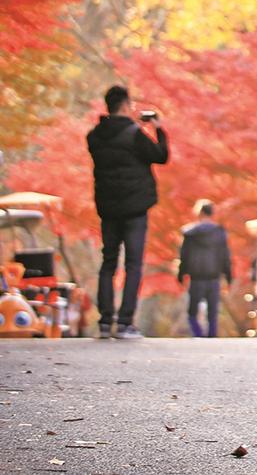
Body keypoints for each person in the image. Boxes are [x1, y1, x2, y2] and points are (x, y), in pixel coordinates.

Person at [87, 85, 170, 340]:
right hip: (134, 209)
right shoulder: (134, 134)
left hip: (108, 208)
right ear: (125, 105)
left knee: (108, 262)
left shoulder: (94, 136)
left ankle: (104, 321)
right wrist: (157, 128)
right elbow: (160, 156)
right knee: (133, 264)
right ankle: (124, 323)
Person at [177, 199, 231, 338]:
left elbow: (184, 256)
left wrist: (181, 274)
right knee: (212, 313)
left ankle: (199, 335)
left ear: (199, 213)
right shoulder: (219, 233)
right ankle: (211, 337)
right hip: (214, 277)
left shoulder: (190, 234)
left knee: (192, 313)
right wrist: (228, 276)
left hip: (196, 277)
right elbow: (225, 256)